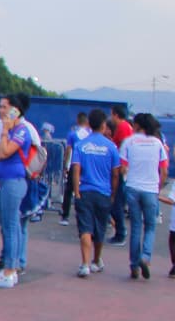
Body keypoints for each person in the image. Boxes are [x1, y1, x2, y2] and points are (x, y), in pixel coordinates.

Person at [0, 93, 33, 287]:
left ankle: (10, 270)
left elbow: (5, 152)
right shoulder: (13, 131)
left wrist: (5, 130)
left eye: (5, 107)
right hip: (6, 180)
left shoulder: (21, 130)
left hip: (14, 180)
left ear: (15, 110)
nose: (1, 110)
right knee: (8, 224)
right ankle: (10, 268)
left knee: (11, 225)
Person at [69, 109, 119, 278]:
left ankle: (85, 264)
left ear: (89, 124)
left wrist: (76, 191)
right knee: (100, 229)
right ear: (104, 125)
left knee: (85, 228)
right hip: (103, 193)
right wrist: (112, 193)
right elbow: (115, 173)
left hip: (85, 192)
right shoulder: (111, 147)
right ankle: (96, 260)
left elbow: (76, 168)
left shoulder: (80, 145)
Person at [119, 113, 168, 279]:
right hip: (150, 189)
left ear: (138, 126)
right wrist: (158, 186)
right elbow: (164, 170)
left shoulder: (129, 142)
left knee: (136, 227)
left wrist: (127, 180)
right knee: (151, 226)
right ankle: (145, 258)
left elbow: (123, 168)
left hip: (133, 187)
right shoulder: (157, 143)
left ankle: (134, 266)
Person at [107, 103, 133, 244]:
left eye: (112, 114)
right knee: (116, 202)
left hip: (120, 170)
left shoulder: (122, 127)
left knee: (116, 202)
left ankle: (120, 233)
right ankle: (120, 231)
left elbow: (122, 147)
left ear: (116, 114)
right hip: (121, 169)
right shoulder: (126, 127)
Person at [59, 112, 90, 226]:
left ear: (78, 121)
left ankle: (65, 216)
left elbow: (68, 150)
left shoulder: (73, 134)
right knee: (84, 190)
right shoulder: (90, 134)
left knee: (69, 190)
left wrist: (65, 164)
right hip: (86, 165)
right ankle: (83, 215)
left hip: (74, 164)